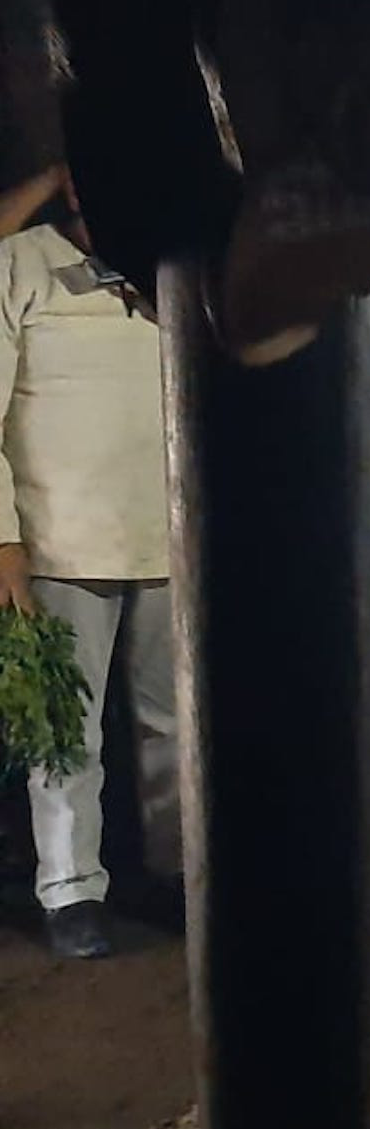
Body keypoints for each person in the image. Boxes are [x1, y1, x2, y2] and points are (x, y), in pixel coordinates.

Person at [0, 166, 175, 960]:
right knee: (64, 730)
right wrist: (6, 544)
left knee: (172, 723)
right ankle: (70, 889)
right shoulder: (22, 263)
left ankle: (174, 874)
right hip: (61, 535)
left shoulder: (167, 270)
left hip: (165, 533)